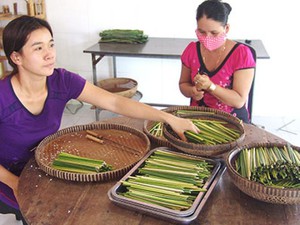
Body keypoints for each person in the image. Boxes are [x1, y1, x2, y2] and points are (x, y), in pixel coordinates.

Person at [0, 15, 199, 224]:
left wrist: (167, 117)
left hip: (45, 163)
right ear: (17, 57)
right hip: (8, 176)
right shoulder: (3, 96)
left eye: (51, 44)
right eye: (38, 48)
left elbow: (115, 103)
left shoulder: (61, 81)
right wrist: (15, 182)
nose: (49, 54)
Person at [179, 0, 256, 123]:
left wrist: (211, 86)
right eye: (202, 32)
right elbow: (183, 84)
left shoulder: (241, 54)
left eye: (214, 33)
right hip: (197, 119)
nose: (207, 38)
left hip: (231, 122)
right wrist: (192, 91)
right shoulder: (192, 50)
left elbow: (239, 100)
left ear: (226, 28)